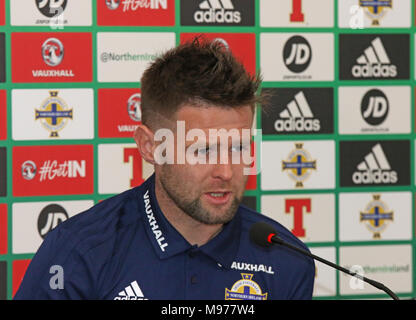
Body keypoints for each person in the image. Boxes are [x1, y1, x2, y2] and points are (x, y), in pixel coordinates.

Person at [14, 38, 315, 300]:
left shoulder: (285, 259)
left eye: (238, 147)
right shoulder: (77, 254)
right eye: (203, 150)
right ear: (150, 146)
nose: (226, 171)